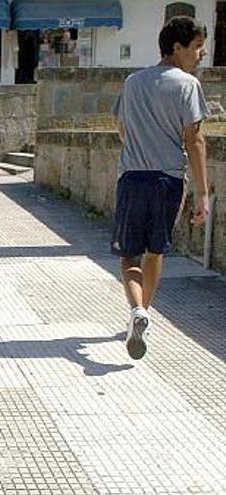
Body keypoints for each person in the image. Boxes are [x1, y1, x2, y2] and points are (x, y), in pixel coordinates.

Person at [111, 15, 210, 360]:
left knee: (129, 255)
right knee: (156, 251)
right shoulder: (188, 86)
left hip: (133, 178)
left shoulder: (132, 82)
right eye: (197, 47)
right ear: (176, 47)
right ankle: (144, 314)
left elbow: (122, 130)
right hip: (169, 181)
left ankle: (136, 310)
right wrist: (203, 194)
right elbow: (194, 140)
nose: (202, 54)